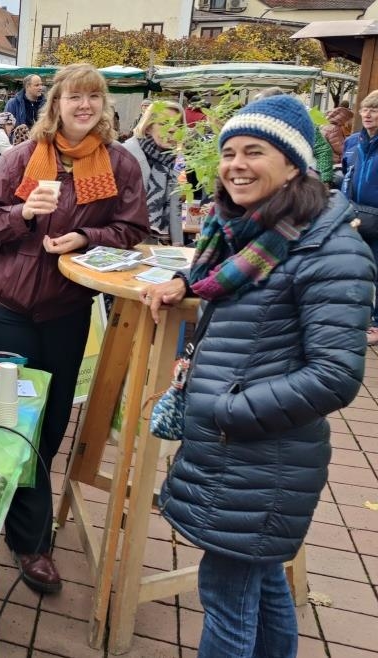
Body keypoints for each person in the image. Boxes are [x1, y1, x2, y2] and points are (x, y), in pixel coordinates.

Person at [141, 94, 375, 657]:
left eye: (255, 151)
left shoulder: (329, 249)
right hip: (243, 457)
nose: (236, 164)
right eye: (228, 152)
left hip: (258, 457)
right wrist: (186, 285)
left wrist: (225, 410)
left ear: (293, 164)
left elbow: (336, 375)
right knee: (263, 585)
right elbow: (228, 290)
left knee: (226, 598)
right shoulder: (250, 235)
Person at [0, 63, 150, 594]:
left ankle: (14, 509)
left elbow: (133, 229)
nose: (84, 105)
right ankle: (31, 541)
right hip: (8, 306)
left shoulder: (118, 164)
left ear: (104, 107)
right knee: (19, 419)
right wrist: (22, 212)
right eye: (74, 97)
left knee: (49, 425)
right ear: (57, 104)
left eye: (94, 97)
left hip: (68, 308)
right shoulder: (20, 158)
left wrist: (84, 237)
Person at [342, 90, 378, 346]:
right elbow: (345, 174)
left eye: (375, 110)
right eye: (365, 109)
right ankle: (355, 318)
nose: (367, 114)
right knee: (354, 267)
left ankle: (376, 323)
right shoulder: (353, 142)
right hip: (356, 214)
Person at [122, 99, 184, 244]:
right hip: (126, 244)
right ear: (148, 127)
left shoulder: (174, 160)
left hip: (162, 248)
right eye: (164, 123)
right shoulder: (125, 154)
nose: (172, 129)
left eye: (177, 125)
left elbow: (175, 209)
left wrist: (177, 246)